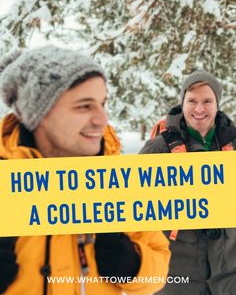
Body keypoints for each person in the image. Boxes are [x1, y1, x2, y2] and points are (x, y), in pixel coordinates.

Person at [0, 45, 170, 295]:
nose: (102, 118)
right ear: (39, 113)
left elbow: (160, 266)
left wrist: (132, 263)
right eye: (84, 106)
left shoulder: (116, 181)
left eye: (102, 103)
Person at [140, 69, 236, 295]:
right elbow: (128, 204)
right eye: (192, 101)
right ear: (182, 102)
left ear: (217, 104)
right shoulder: (158, 149)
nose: (199, 109)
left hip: (229, 276)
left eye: (207, 101)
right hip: (177, 278)